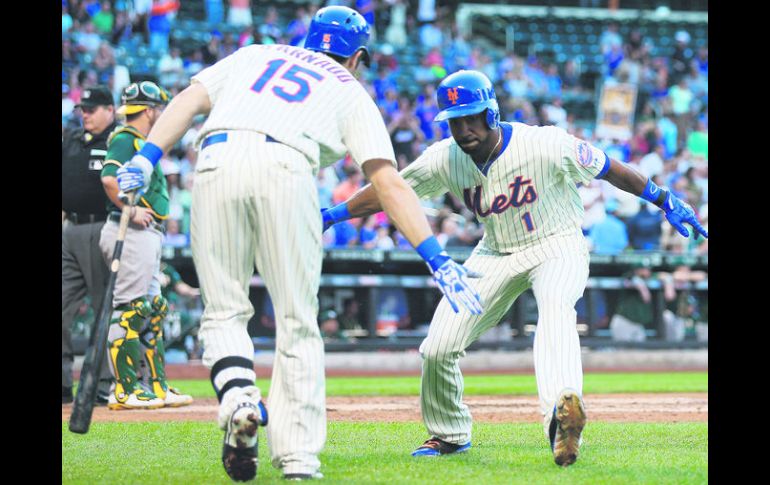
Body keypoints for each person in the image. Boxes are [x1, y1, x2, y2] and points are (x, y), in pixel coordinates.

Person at [115, 6, 482, 481]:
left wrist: (145, 158)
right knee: (296, 322)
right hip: (288, 170)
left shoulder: (256, 54)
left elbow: (188, 101)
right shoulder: (350, 89)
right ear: (359, 56)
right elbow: (387, 180)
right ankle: (298, 460)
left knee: (224, 310)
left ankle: (239, 398)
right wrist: (436, 257)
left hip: (216, 159)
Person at [322, 70, 708, 467]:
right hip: (495, 252)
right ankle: (449, 434)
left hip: (557, 242)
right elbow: (392, 189)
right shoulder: (445, 157)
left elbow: (609, 168)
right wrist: (331, 216)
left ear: (492, 112)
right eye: (455, 120)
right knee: (437, 348)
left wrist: (663, 198)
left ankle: (561, 417)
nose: (464, 128)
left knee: (557, 309)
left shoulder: (544, 143)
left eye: (472, 117)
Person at [98, 81, 193, 410]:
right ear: (150, 110)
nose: (163, 114)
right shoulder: (126, 139)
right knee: (130, 309)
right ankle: (124, 389)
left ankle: (156, 386)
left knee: (153, 309)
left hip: (148, 233)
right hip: (130, 230)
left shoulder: (142, 141)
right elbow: (109, 178)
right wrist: (130, 208)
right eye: (160, 109)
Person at [62, 85, 118, 405]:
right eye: (82, 109)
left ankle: (103, 385)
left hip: (101, 226)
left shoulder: (117, 142)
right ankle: (62, 383)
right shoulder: (70, 139)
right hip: (70, 229)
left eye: (91, 109)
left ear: (110, 110)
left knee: (102, 309)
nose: (85, 114)